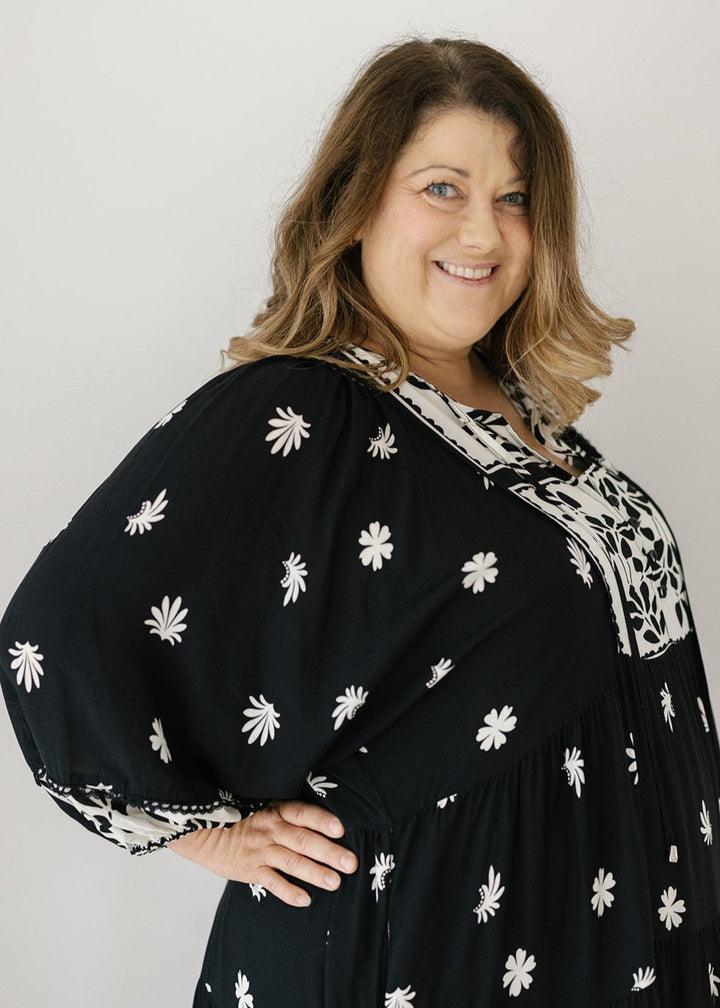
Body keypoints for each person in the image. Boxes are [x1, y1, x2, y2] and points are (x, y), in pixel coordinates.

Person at [1, 35, 718, 1007]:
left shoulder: (526, 415)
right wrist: (206, 833)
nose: (483, 232)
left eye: (514, 198)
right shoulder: (304, 406)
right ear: (355, 203)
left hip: (608, 942)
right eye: (442, 188)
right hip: (422, 953)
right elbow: (56, 631)